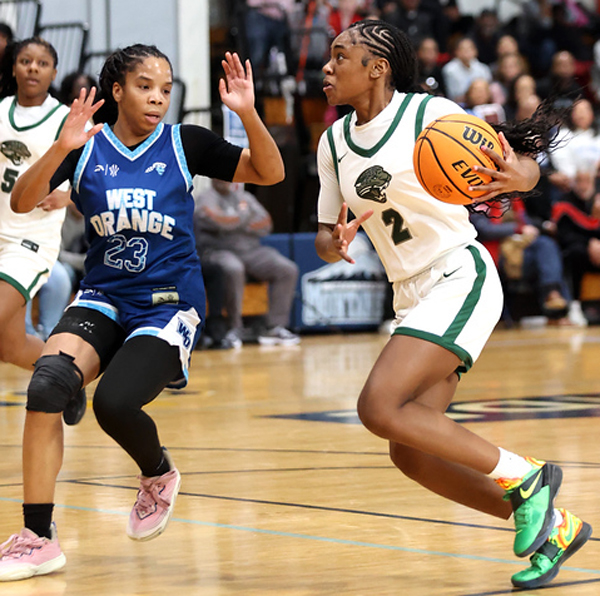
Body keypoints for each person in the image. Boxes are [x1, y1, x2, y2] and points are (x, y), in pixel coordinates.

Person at [316, 20, 591, 590]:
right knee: (410, 453)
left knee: (377, 406)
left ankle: (527, 476)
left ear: (377, 68)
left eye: (340, 55)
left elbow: (525, 168)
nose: (327, 65)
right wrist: (333, 242)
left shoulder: (429, 114)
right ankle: (553, 526)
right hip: (409, 293)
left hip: (457, 274)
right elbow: (324, 233)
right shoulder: (333, 142)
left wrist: (518, 176)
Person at [0, 44, 284, 581]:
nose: (157, 98)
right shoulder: (85, 145)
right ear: (117, 91)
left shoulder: (185, 143)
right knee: (47, 386)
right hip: (102, 296)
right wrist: (61, 146)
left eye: (165, 89)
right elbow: (22, 200)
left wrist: (248, 113)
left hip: (168, 302)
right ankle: (38, 537)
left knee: (114, 403)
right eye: (145, 86)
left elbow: (268, 173)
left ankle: (157, 473)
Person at [0, 36, 85, 426]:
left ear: (53, 72)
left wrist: (68, 195)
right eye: (25, 60)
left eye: (42, 62)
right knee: (10, 347)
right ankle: (67, 377)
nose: (32, 67)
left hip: (31, 241)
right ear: (13, 67)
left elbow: (96, 173)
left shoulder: (65, 118)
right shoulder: (2, 111)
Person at [194, 179, 300, 346]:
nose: (224, 179)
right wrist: (244, 218)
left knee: (287, 269)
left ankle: (274, 326)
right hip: (220, 250)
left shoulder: (246, 197)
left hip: (251, 250)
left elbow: (266, 224)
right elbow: (217, 221)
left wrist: (232, 221)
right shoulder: (206, 197)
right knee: (234, 268)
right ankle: (235, 327)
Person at [441, 36, 492, 103]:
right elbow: (452, 95)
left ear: (475, 51)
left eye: (470, 48)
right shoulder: (449, 70)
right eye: (463, 49)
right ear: (456, 52)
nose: (467, 51)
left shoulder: (483, 68)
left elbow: (488, 91)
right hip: (459, 103)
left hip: (482, 102)